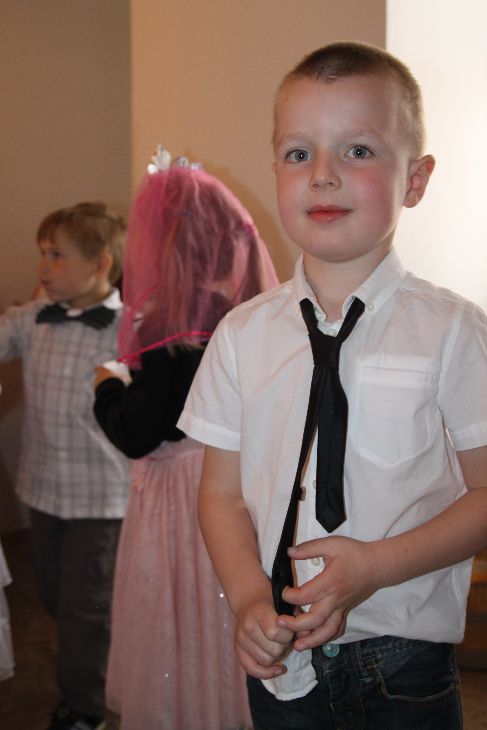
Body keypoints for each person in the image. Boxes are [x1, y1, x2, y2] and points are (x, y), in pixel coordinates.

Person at [177, 41, 487, 730]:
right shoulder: (240, 335)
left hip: (403, 659)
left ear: (415, 179)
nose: (322, 175)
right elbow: (220, 495)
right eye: (299, 153)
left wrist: (377, 565)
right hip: (281, 659)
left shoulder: (454, 331)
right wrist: (247, 597)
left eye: (358, 151)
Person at [93, 148, 279, 730]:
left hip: (182, 499)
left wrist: (107, 389)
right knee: (221, 606)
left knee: (178, 613)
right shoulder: (238, 317)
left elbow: (138, 433)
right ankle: (224, 706)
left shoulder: (163, 328)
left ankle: (187, 712)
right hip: (233, 488)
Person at [0, 202, 131, 730]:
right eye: (43, 254)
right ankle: (96, 658)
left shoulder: (126, 328)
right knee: (53, 594)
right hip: (43, 489)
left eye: (57, 255)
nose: (44, 266)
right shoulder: (33, 318)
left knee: (85, 606)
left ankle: (85, 706)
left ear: (100, 264)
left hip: (101, 499)